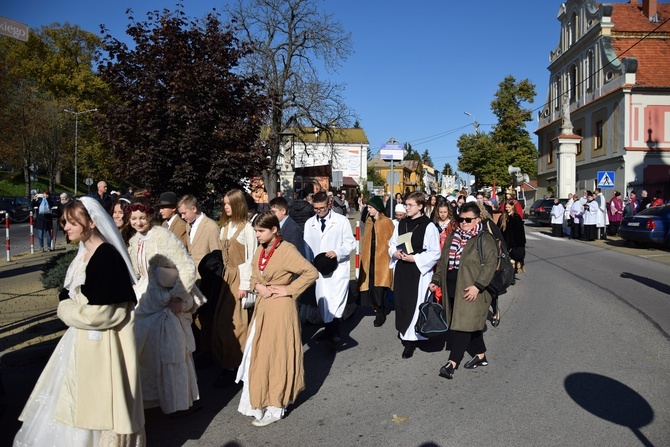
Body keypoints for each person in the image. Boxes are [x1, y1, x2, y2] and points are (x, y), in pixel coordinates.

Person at [13, 197, 145, 446]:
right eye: (65, 222)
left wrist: (65, 309)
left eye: (73, 222)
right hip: (79, 342)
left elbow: (107, 314)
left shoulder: (106, 256)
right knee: (72, 402)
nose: (66, 228)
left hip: (102, 346)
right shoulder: (85, 252)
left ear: (92, 223)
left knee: (98, 405)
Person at [235, 212, 318, 427]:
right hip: (263, 309)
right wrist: (257, 286)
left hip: (281, 309)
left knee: (277, 355)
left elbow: (311, 272)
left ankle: (276, 404)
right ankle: (260, 400)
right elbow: (254, 276)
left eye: (261, 231)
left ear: (274, 230)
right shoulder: (260, 251)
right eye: (255, 231)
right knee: (260, 355)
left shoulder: (287, 250)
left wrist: (289, 289)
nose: (257, 235)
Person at [127, 200, 202, 415]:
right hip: (144, 296)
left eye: (142, 217)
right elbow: (139, 272)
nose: (138, 222)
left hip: (166, 298)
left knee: (171, 352)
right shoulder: (134, 241)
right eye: (134, 219)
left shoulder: (163, 235)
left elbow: (187, 265)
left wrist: (178, 296)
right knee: (144, 350)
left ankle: (177, 400)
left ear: (150, 217)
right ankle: (151, 398)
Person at [429, 201, 497, 380]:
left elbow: (490, 265)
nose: (464, 223)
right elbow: (443, 261)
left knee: (463, 326)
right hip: (451, 288)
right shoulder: (452, 236)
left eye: (468, 219)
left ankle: (452, 364)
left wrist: (478, 286)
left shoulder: (484, 239)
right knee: (469, 324)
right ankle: (481, 356)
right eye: (461, 219)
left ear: (478, 219)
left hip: (473, 289)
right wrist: (436, 280)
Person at [213, 189, 257, 387]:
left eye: (229, 203)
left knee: (238, 324)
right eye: (224, 203)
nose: (225, 207)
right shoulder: (224, 227)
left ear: (238, 204)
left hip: (240, 279)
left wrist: (245, 286)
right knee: (223, 323)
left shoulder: (247, 228)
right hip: (227, 278)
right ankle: (228, 363)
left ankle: (237, 366)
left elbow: (251, 258)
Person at [389, 191, 441, 359]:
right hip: (402, 268)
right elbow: (392, 243)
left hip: (418, 270)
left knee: (416, 303)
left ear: (420, 206)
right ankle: (405, 333)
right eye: (406, 204)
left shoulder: (429, 226)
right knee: (402, 302)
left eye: (410, 205)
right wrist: (394, 253)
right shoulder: (401, 223)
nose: (407, 208)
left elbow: (434, 252)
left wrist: (415, 258)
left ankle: (413, 340)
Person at [303, 191, 356, 350]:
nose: (319, 211)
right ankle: (329, 331)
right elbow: (307, 248)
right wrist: (308, 267)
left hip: (337, 269)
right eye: (316, 209)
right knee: (323, 301)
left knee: (336, 302)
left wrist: (337, 252)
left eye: (322, 208)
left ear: (329, 205)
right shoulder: (309, 223)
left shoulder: (341, 221)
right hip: (319, 269)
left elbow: (350, 243)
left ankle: (334, 335)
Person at [177, 195, 221, 368]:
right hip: (191, 278)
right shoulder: (189, 225)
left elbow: (216, 255)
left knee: (205, 316)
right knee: (193, 315)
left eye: (184, 213)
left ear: (193, 209)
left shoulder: (210, 226)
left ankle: (207, 352)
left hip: (206, 279)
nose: (182, 217)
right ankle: (198, 349)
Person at [358, 196, 394, 327]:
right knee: (371, 285)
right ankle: (376, 307)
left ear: (377, 208)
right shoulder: (369, 221)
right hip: (370, 259)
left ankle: (381, 312)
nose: (368, 209)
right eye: (368, 207)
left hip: (382, 259)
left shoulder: (386, 222)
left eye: (370, 207)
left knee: (380, 287)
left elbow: (391, 240)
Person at [498, 200, 526, 273]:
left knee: (513, 262)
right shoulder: (502, 217)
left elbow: (520, 232)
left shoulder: (516, 217)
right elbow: (498, 229)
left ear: (512, 207)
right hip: (504, 243)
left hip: (514, 244)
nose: (507, 209)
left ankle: (512, 275)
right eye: (506, 207)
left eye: (509, 207)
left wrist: (520, 244)